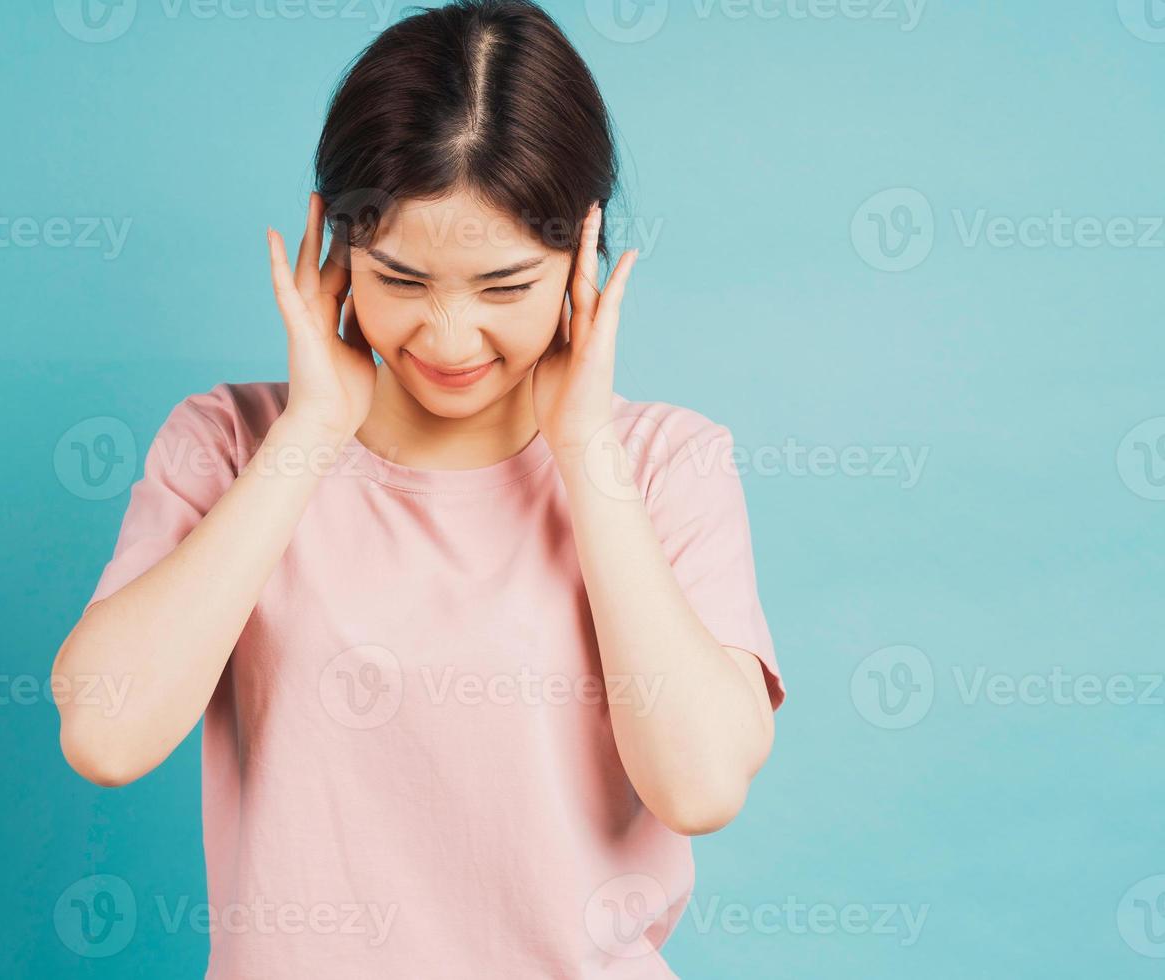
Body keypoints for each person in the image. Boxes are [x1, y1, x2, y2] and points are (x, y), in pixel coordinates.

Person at [51, 1, 786, 975]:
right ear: (336, 250)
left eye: (504, 288)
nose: (446, 338)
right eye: (400, 278)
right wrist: (313, 430)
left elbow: (697, 787)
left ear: (583, 253)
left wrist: (583, 450)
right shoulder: (229, 442)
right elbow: (105, 731)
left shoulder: (663, 463)